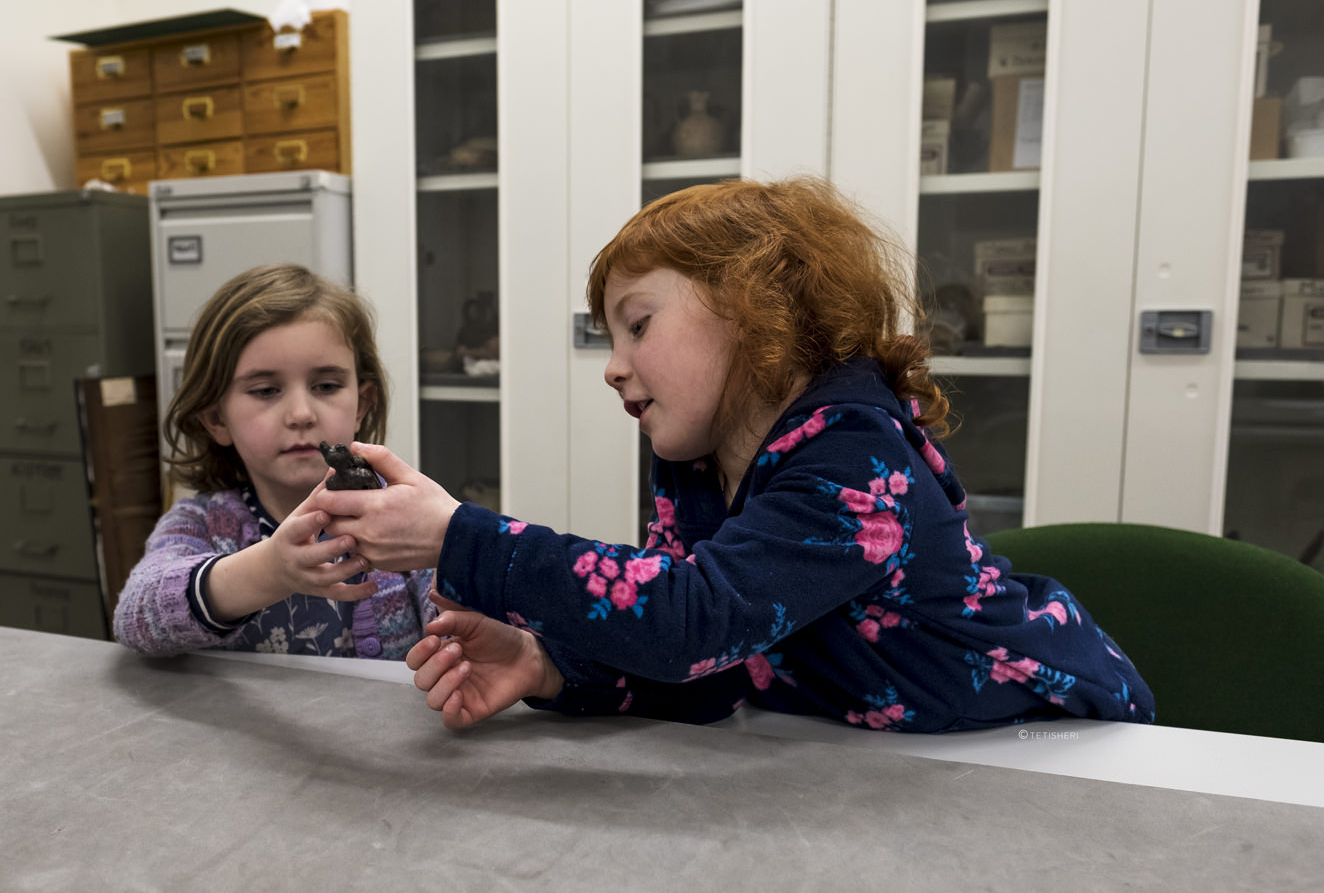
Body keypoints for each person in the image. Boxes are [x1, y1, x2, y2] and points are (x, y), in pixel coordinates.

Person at [318, 177, 1156, 731]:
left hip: (1050, 740)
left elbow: (693, 618)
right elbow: (715, 664)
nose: (612, 367)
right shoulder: (697, 462)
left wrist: (460, 536)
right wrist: (545, 666)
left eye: (638, 324)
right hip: (886, 761)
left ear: (759, 310)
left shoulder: (857, 455)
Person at [113, 263, 436, 659]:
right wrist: (269, 570)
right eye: (266, 390)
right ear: (216, 419)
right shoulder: (202, 524)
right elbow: (135, 616)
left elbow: (461, 614)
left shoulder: (402, 514)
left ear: (361, 405)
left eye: (326, 386)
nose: (301, 413)